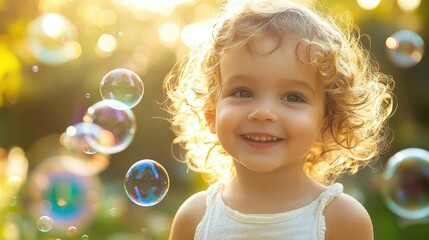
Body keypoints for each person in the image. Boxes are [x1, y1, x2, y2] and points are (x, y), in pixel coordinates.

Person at [163, 0, 395, 239]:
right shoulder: (195, 218)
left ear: (327, 120)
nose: (264, 112)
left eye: (293, 97)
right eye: (242, 92)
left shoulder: (341, 219)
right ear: (211, 112)